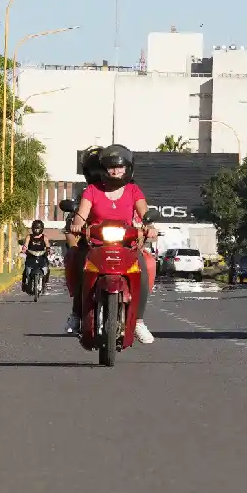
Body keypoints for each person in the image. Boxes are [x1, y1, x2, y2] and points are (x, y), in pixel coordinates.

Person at [64, 143, 157, 344]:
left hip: (127, 245)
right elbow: (81, 215)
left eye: (120, 167)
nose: (116, 171)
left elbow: (144, 212)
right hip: (95, 244)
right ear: (103, 169)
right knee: (77, 259)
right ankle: (77, 314)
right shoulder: (92, 190)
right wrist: (77, 224)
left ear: (128, 168)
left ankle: (139, 321)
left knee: (144, 265)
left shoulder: (133, 190)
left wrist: (150, 226)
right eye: (111, 167)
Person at [21, 219, 50, 293]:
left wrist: (48, 250)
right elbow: (26, 245)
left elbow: (47, 245)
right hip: (31, 256)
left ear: (42, 229)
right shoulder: (29, 237)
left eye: (38, 228)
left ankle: (45, 283)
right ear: (32, 228)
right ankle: (24, 283)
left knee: (47, 268)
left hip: (42, 256)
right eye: (35, 228)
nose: (36, 230)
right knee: (25, 270)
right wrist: (24, 249)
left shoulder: (44, 237)